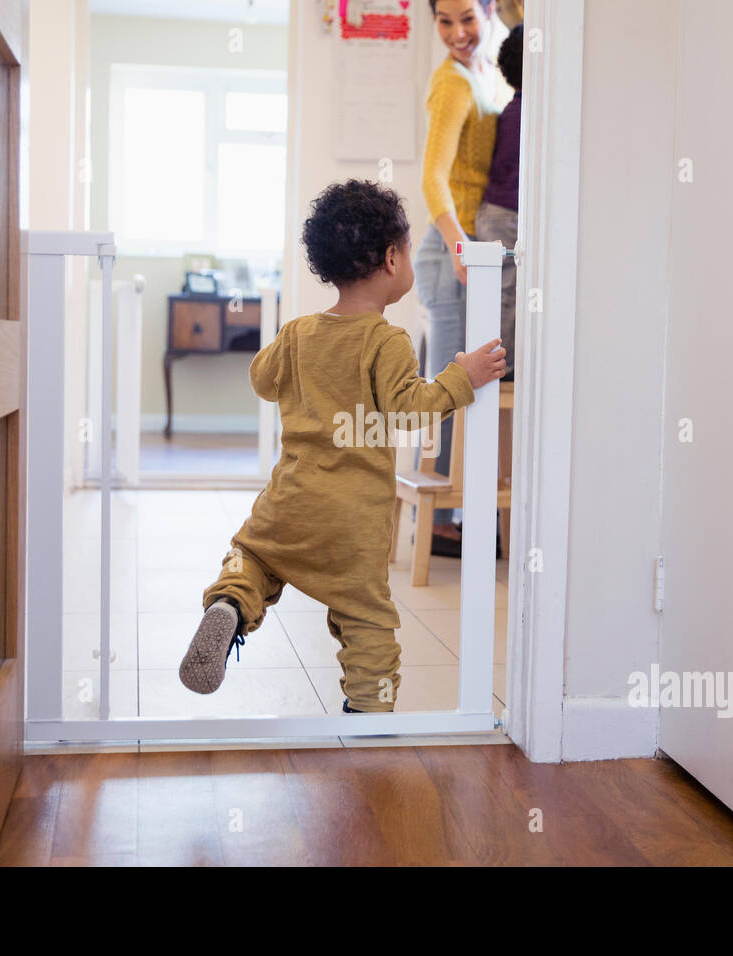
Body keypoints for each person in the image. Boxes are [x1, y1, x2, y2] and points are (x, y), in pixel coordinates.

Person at [177, 180, 506, 713]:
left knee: (253, 558)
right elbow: (409, 409)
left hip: (289, 505)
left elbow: (262, 380)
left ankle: (230, 606)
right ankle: (369, 713)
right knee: (366, 620)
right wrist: (461, 377)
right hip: (353, 525)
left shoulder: (298, 331)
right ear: (393, 258)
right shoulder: (387, 339)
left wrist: (293, 353)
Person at [415, 0, 511, 558]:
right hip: (450, 250)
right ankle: (437, 521)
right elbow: (432, 178)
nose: (456, 33)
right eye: (445, 21)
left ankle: (447, 512)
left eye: (467, 19)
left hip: (464, 247)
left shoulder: (484, 74)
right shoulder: (451, 84)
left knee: (455, 381)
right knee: (448, 385)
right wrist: (459, 249)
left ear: (488, 11)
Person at [474, 24, 522, 382]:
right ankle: (504, 370)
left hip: (498, 213)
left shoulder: (514, 110)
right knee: (506, 295)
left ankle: (504, 367)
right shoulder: (526, 115)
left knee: (505, 294)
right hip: (505, 215)